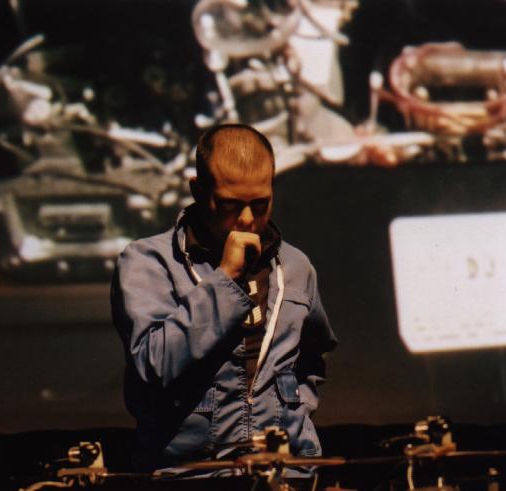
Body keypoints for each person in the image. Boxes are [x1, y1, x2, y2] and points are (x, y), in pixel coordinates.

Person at [111, 124, 337, 472]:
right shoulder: (147, 263)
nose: (247, 219)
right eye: (231, 205)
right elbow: (151, 365)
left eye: (260, 204)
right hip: (190, 472)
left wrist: (294, 408)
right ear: (199, 192)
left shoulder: (295, 266)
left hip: (285, 471)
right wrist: (225, 279)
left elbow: (312, 357)